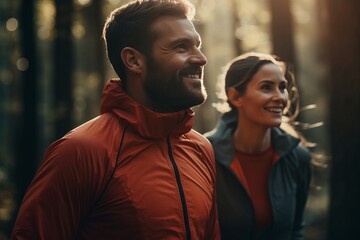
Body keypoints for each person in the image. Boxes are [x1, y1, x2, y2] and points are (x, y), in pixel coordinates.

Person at [11, 0, 220, 239]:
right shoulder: (80, 151)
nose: (201, 58)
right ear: (133, 61)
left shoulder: (201, 149)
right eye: (181, 47)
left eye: (197, 46)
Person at [206, 52, 312, 240]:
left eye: (282, 87)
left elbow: (295, 231)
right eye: (266, 87)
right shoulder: (205, 156)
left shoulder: (298, 157)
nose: (280, 97)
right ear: (235, 97)